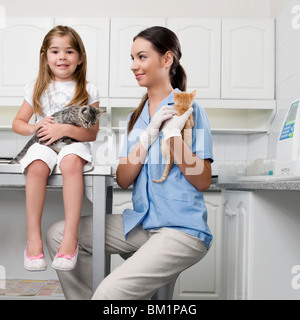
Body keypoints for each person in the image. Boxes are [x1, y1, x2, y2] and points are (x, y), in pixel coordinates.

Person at [46, 26, 213, 300]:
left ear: (167, 59)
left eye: (142, 57)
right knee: (58, 233)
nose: (134, 66)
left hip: (181, 229)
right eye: (132, 58)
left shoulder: (190, 110)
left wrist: (172, 136)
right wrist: (147, 137)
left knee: (110, 293)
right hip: (142, 225)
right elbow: (124, 179)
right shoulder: (137, 117)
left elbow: (202, 179)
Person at [12, 25, 100, 272]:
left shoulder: (89, 90)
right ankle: (33, 239)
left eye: (69, 51)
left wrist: (64, 130)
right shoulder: (36, 88)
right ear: (45, 56)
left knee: (70, 162)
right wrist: (35, 127)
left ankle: (70, 237)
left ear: (80, 58)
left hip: (74, 144)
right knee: (37, 165)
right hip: (45, 144)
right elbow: (18, 123)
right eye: (55, 51)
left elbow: (92, 133)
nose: (62, 57)